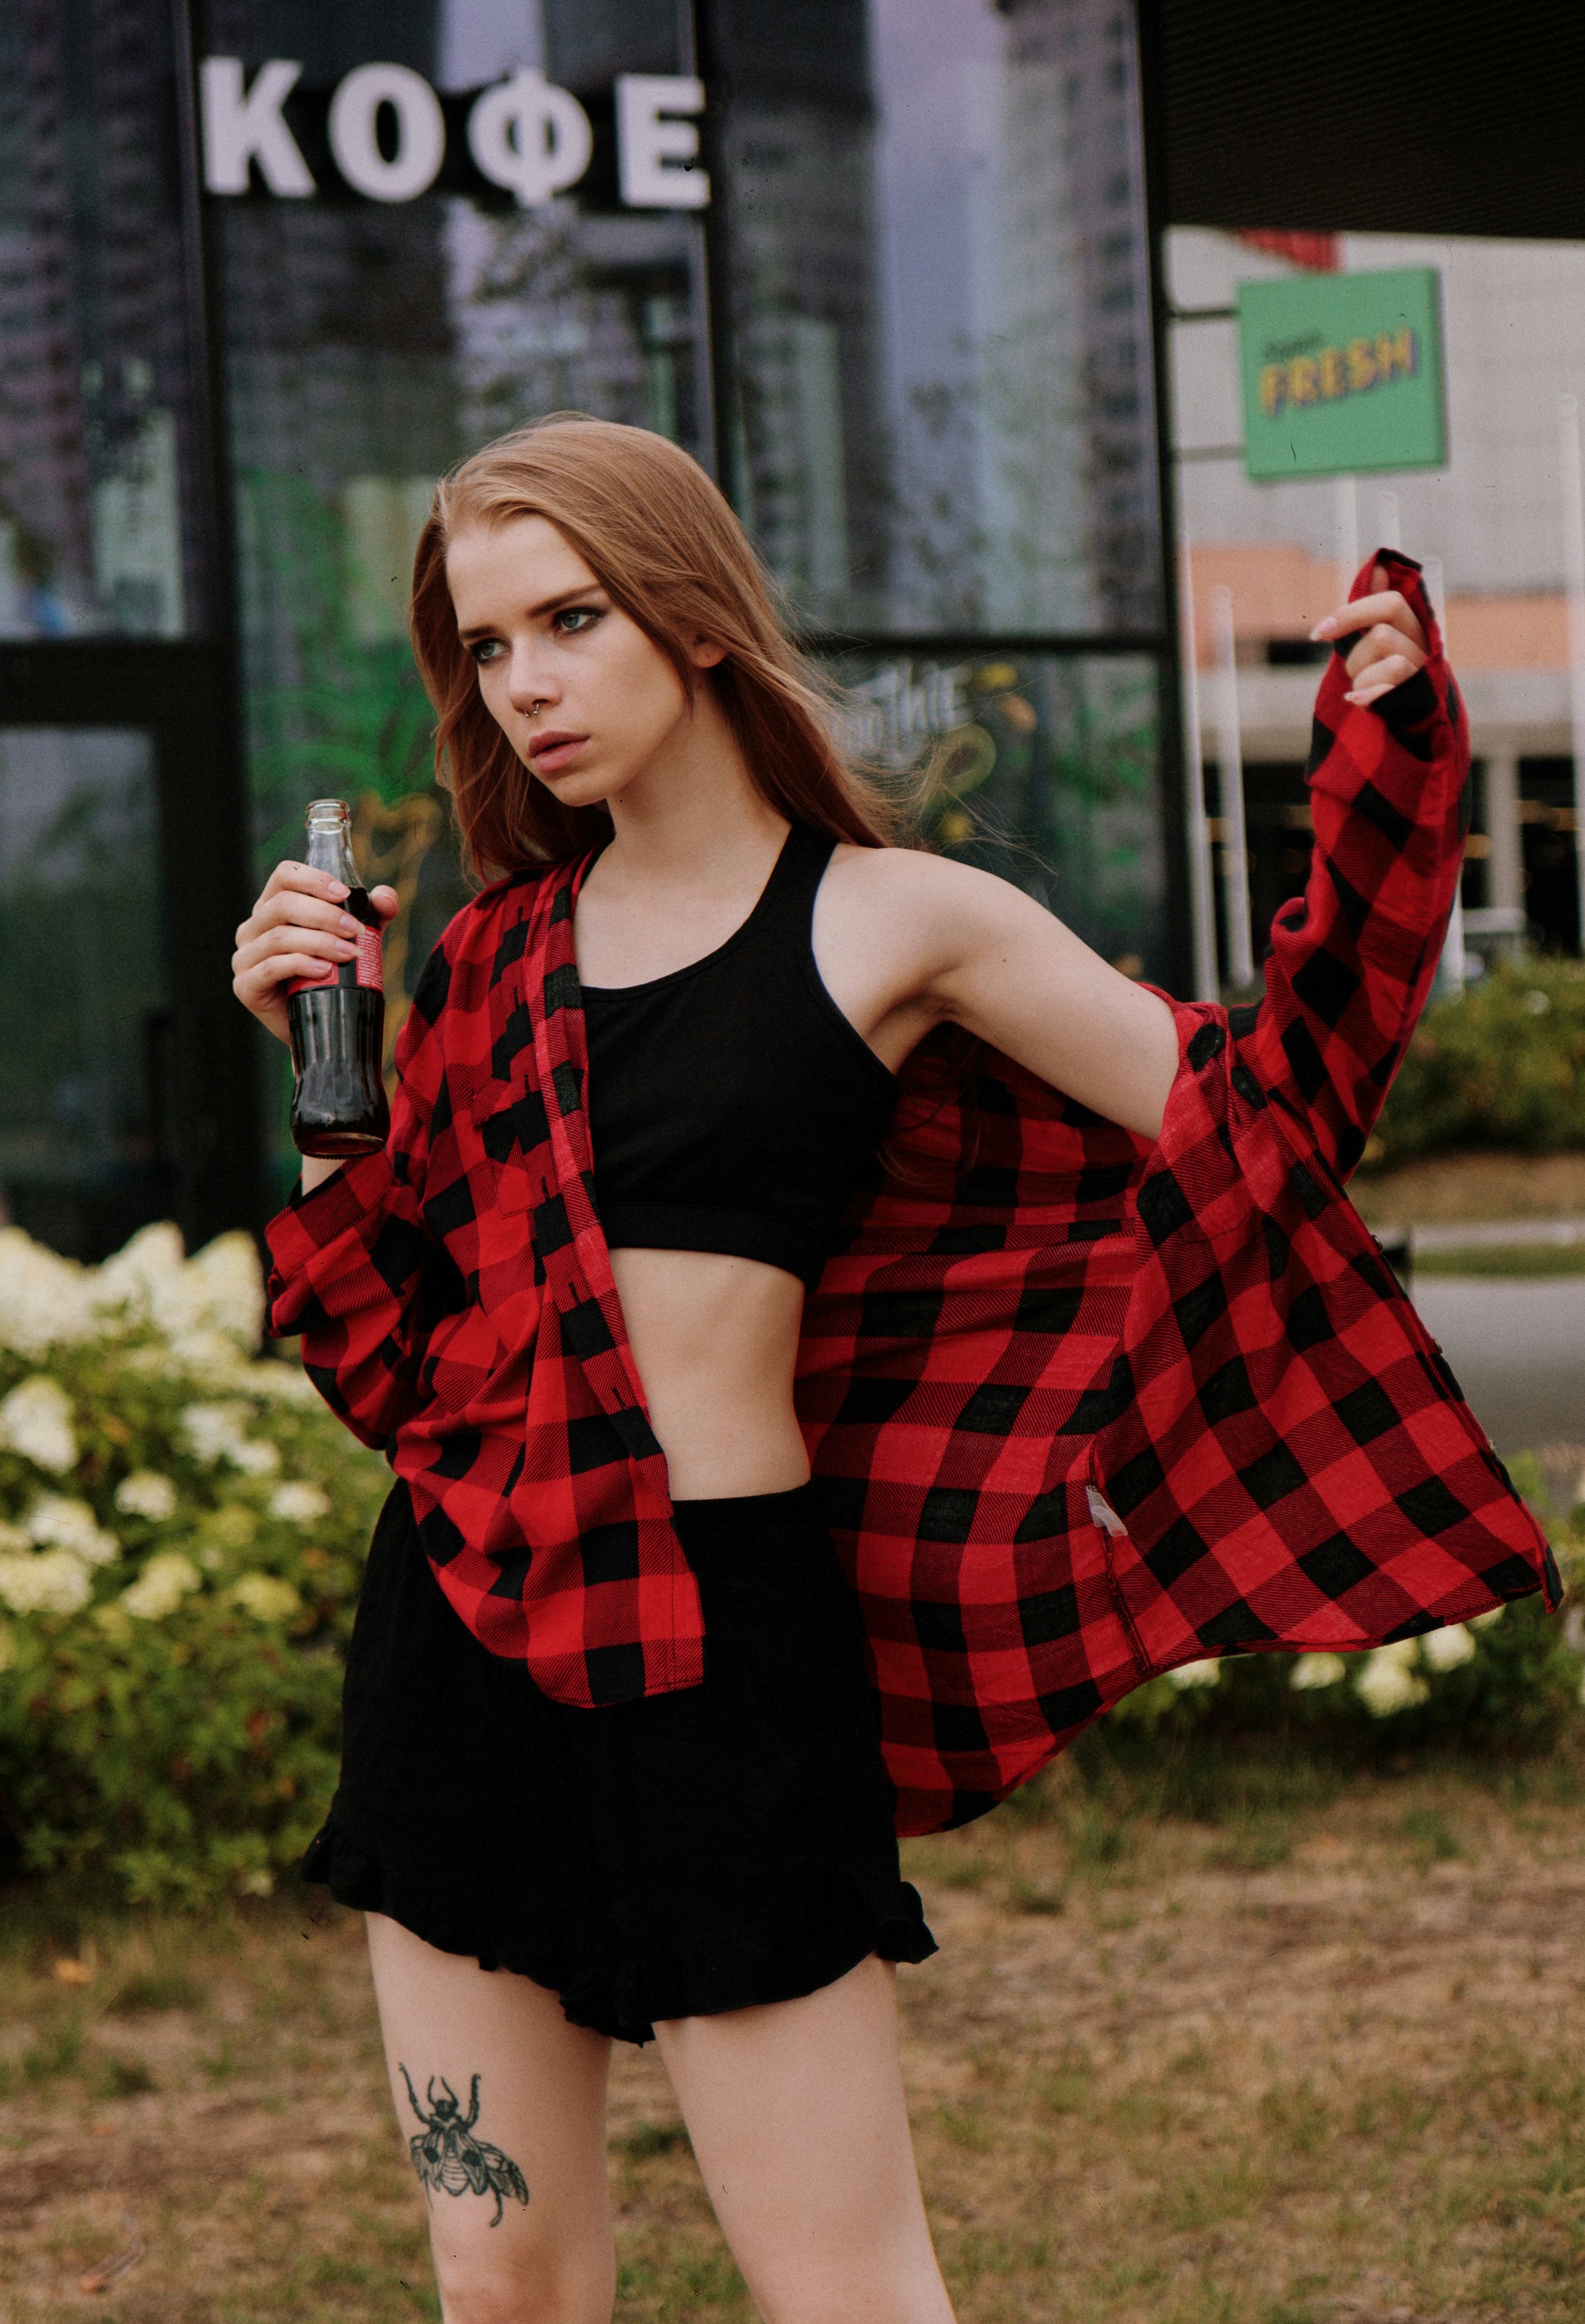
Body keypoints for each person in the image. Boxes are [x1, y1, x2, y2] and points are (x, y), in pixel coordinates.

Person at [234, 415, 1550, 2324]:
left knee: (847, 2283)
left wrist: (1381, 782)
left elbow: (1266, 1109)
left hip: (726, 1654)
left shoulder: (898, 919)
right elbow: (399, 1362)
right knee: (500, 2269)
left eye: (570, 617)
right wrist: (324, 1097)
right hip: (462, 1636)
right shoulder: (499, 957)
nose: (527, 683)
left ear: (690, 617)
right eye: (486, 644)